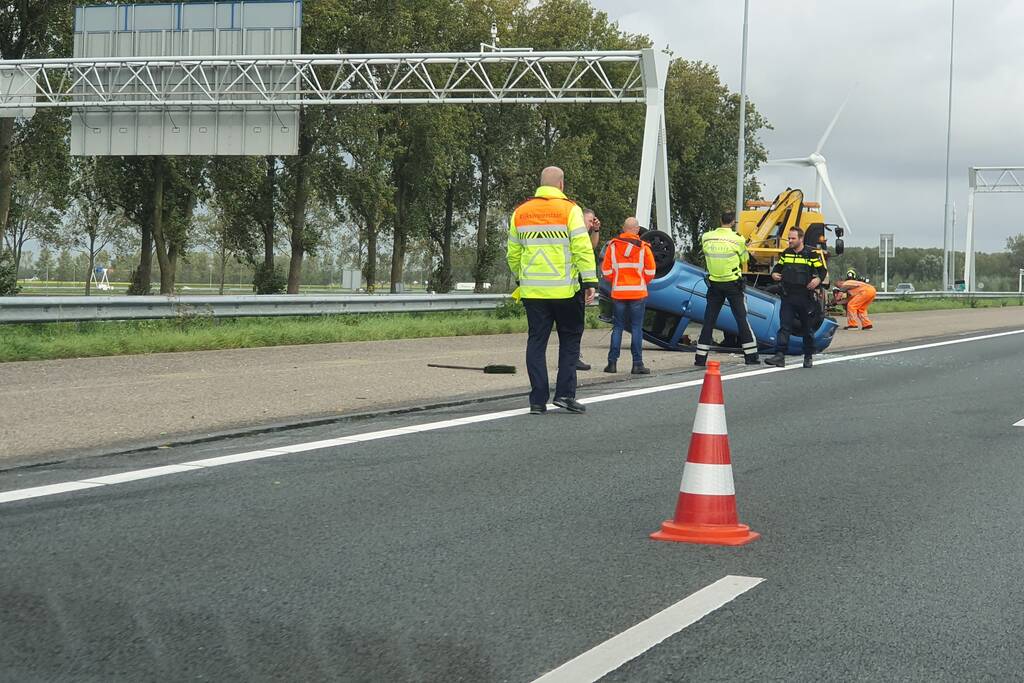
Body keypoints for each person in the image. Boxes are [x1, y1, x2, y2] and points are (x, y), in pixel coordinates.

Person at [506, 166, 598, 415]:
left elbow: (513, 254)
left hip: (533, 292)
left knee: (536, 342)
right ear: (561, 185)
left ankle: (537, 400)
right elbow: (582, 248)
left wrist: (521, 278)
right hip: (565, 291)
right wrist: (590, 281)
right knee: (569, 341)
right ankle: (565, 395)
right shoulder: (570, 210)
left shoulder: (521, 212)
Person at [695, 211, 760, 367]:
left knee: (709, 321)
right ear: (733, 223)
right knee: (741, 320)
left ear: (720, 220)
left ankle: (700, 358)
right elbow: (744, 259)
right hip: (732, 284)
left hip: (714, 284)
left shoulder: (707, 236)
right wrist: (747, 249)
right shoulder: (738, 239)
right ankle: (751, 357)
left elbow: (705, 252)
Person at [764, 227, 828, 368]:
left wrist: (817, 280)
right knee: (784, 327)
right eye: (789, 238)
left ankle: (808, 356)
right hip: (788, 296)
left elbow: (822, 271)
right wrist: (774, 274)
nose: (790, 241)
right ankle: (780, 356)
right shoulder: (786, 254)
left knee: (807, 329)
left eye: (792, 238)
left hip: (805, 298)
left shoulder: (811, 254)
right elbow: (777, 269)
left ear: (801, 239)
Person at [601, 217, 656, 374]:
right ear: (637, 230)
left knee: (618, 327)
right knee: (636, 328)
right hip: (638, 292)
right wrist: (641, 281)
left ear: (624, 229)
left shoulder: (612, 246)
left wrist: (617, 280)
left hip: (619, 292)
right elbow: (651, 272)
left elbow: (606, 272)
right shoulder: (644, 248)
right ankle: (637, 364)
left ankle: (612, 363)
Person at [575, 208, 603, 371]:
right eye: (589, 220)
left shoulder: (584, 236)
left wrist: (596, 230)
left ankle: (573, 355)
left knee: (576, 323)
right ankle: (572, 356)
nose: (591, 223)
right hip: (573, 286)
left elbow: (592, 246)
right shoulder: (576, 235)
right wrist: (589, 285)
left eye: (593, 221)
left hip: (579, 285)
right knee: (574, 324)